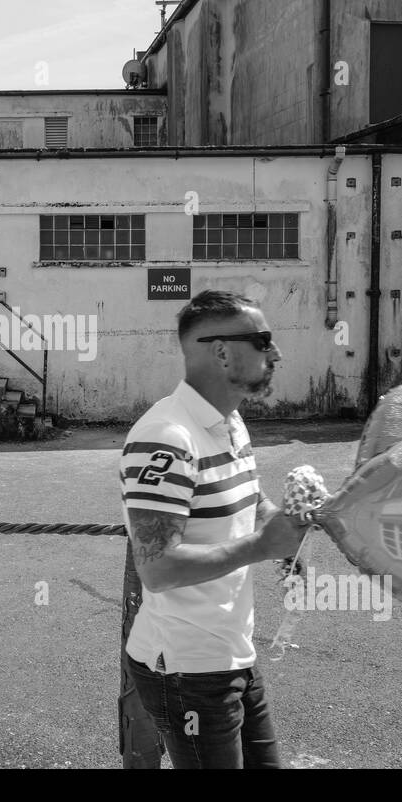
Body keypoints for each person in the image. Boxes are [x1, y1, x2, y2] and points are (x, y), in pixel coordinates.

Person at [119, 289, 304, 769]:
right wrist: (262, 546)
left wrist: (286, 526)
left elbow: (249, 501)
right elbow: (158, 569)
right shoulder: (165, 439)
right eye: (262, 340)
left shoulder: (229, 421)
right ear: (221, 351)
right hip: (186, 668)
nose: (275, 353)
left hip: (231, 653)